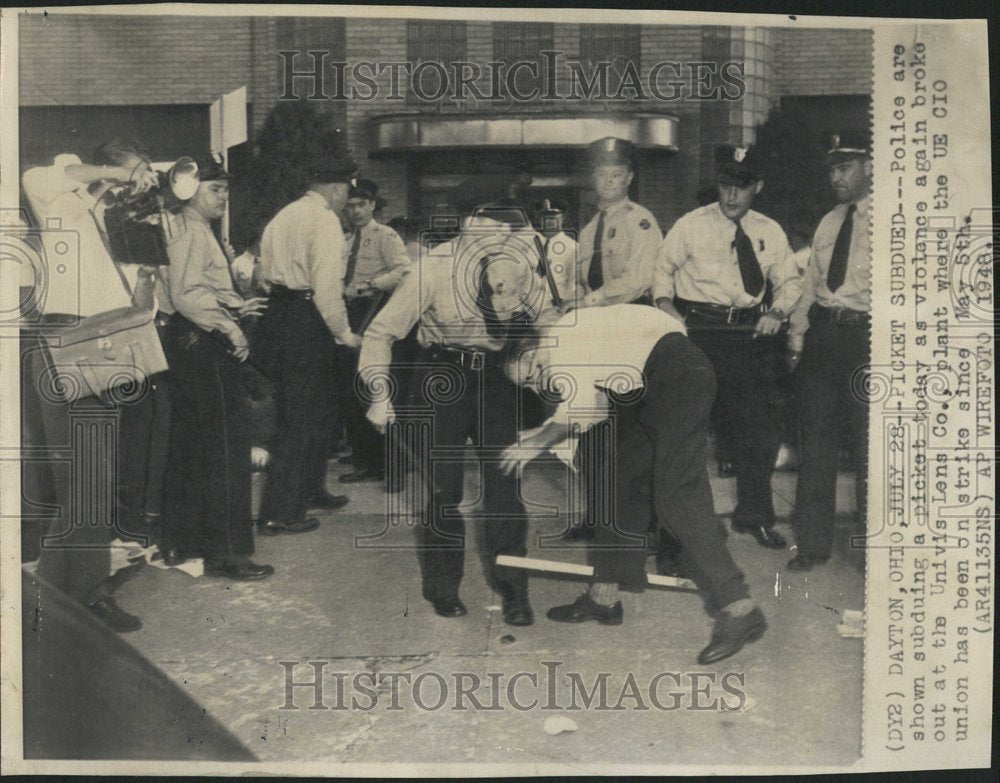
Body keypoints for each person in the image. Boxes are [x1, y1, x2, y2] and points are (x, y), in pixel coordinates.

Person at [500, 303, 767, 664]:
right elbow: (590, 408)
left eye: (531, 376)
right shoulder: (575, 339)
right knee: (621, 484)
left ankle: (740, 607)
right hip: (654, 382)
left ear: (534, 350)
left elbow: (576, 407)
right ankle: (605, 598)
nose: (536, 387)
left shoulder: (560, 340)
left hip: (675, 376)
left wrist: (537, 441)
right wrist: (545, 433)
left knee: (676, 497)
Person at [358, 213, 543, 626]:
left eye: (508, 229)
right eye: (495, 226)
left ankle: (514, 588)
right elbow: (380, 332)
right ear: (469, 223)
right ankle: (443, 587)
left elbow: (540, 322)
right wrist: (379, 393)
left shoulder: (515, 264)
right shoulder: (432, 268)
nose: (503, 236)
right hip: (443, 374)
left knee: (505, 485)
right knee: (443, 489)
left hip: (497, 377)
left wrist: (533, 354)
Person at [20, 141, 165, 631]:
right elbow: (48, 176)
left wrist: (147, 275)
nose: (139, 184)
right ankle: (75, 596)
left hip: (103, 346)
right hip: (65, 339)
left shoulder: (112, 222)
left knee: (94, 485)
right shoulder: (56, 194)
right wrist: (116, 173)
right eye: (135, 174)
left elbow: (137, 305)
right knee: (83, 485)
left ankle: (64, 595)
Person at [653, 144, 801, 550]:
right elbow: (661, 271)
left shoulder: (769, 230)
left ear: (758, 186)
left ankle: (754, 517)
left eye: (741, 186)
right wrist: (668, 309)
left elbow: (789, 282)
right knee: (686, 433)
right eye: (724, 185)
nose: (731, 196)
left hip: (748, 338)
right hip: (698, 335)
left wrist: (778, 312)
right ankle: (676, 531)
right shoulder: (691, 225)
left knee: (758, 431)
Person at [157, 152, 273, 580]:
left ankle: (184, 543)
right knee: (226, 449)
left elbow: (194, 286)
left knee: (192, 447)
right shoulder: (190, 230)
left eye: (226, 188)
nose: (224, 195)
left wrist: (236, 301)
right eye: (215, 188)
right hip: (203, 344)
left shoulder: (188, 226)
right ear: (190, 190)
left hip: (187, 345)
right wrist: (231, 327)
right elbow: (187, 294)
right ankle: (228, 555)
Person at [254, 138, 361, 534]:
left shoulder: (282, 216)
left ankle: (311, 489)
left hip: (279, 315)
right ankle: (280, 512)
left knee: (312, 413)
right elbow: (327, 289)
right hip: (308, 318)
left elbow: (263, 275)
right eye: (346, 193)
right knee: (302, 419)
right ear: (334, 189)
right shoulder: (325, 222)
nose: (345, 200)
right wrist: (344, 334)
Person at [786, 130, 872, 571]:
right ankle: (813, 545)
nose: (836, 177)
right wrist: (797, 335)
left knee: (869, 446)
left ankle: (874, 551)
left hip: (868, 340)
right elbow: (809, 289)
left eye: (846, 167)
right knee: (815, 444)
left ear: (870, 165)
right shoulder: (829, 221)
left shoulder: (895, 219)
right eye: (833, 169)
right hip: (824, 339)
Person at [338, 178, 413, 486]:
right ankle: (366, 459)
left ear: (372, 205)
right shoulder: (343, 240)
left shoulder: (386, 235)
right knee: (354, 390)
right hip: (349, 315)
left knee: (379, 387)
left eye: (360, 204)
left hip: (376, 312)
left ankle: (392, 466)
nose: (354, 211)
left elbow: (403, 271)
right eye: (350, 205)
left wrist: (371, 284)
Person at [576, 137, 662, 309]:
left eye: (616, 174)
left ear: (629, 178)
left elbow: (638, 280)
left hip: (633, 315)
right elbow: (581, 282)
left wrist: (588, 301)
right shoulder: (588, 231)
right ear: (594, 178)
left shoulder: (640, 221)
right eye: (602, 174)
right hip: (594, 317)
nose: (609, 181)